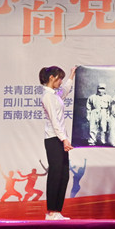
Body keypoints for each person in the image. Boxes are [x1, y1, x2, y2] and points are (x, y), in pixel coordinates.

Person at [40, 65, 76, 220]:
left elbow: (65, 91)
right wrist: (64, 139)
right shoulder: (47, 97)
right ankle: (51, 212)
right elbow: (55, 121)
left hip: (59, 139)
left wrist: (72, 75)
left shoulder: (55, 95)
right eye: (59, 78)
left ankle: (57, 211)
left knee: (63, 175)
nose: (61, 81)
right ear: (51, 78)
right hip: (53, 139)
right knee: (56, 174)